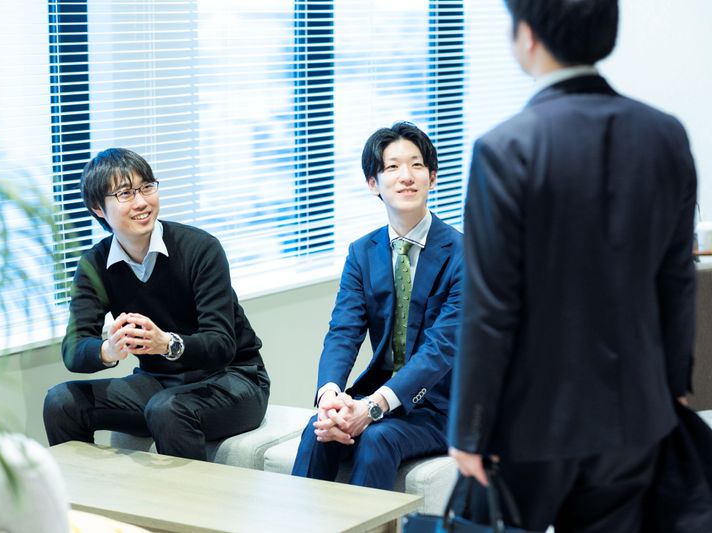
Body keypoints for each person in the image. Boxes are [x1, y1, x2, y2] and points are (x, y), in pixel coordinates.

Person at [448, 0, 697, 530]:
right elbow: (676, 280)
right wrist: (673, 383)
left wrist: (469, 428)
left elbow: (489, 309)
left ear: (528, 36)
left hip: (531, 420)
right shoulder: (665, 134)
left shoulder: (505, 148)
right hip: (635, 414)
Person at [43, 148, 270, 460]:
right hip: (160, 383)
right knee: (62, 402)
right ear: (98, 208)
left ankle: (190, 496)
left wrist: (167, 344)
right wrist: (109, 350)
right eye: (125, 193)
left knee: (168, 410)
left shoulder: (200, 248)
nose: (141, 202)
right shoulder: (94, 264)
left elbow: (221, 345)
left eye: (147, 187)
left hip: (233, 379)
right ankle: (85, 491)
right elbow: (74, 348)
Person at [291, 122, 463, 489]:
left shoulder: (465, 255)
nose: (406, 177)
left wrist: (373, 407)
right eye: (392, 167)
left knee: (377, 437)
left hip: (443, 404)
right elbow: (344, 331)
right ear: (374, 183)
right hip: (379, 390)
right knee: (319, 430)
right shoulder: (362, 253)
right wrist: (330, 395)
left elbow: (441, 350)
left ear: (432, 178)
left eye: (416, 165)